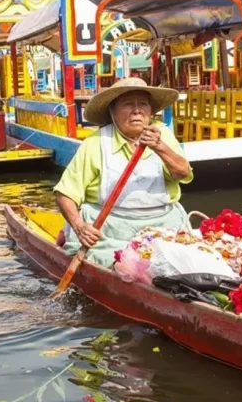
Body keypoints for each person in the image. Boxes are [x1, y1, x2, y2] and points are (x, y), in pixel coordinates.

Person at [53, 77, 193, 267]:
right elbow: (65, 194)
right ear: (113, 112)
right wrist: (80, 227)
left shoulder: (162, 135)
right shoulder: (96, 143)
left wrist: (160, 147)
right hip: (109, 232)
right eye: (128, 104)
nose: (137, 110)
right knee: (119, 265)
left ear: (151, 111)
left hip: (164, 227)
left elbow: (183, 173)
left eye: (143, 104)